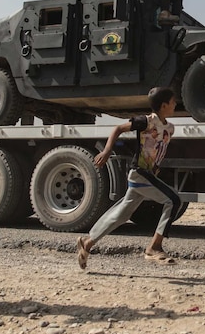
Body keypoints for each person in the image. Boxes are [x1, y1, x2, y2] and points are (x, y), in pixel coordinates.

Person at [76, 87, 183, 269]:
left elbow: (159, 149)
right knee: (173, 200)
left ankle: (87, 243)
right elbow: (118, 128)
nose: (175, 104)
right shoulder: (146, 121)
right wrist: (107, 150)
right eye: (173, 102)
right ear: (164, 105)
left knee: (121, 215)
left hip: (147, 174)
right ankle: (154, 247)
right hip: (139, 173)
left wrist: (156, 167)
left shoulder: (169, 128)